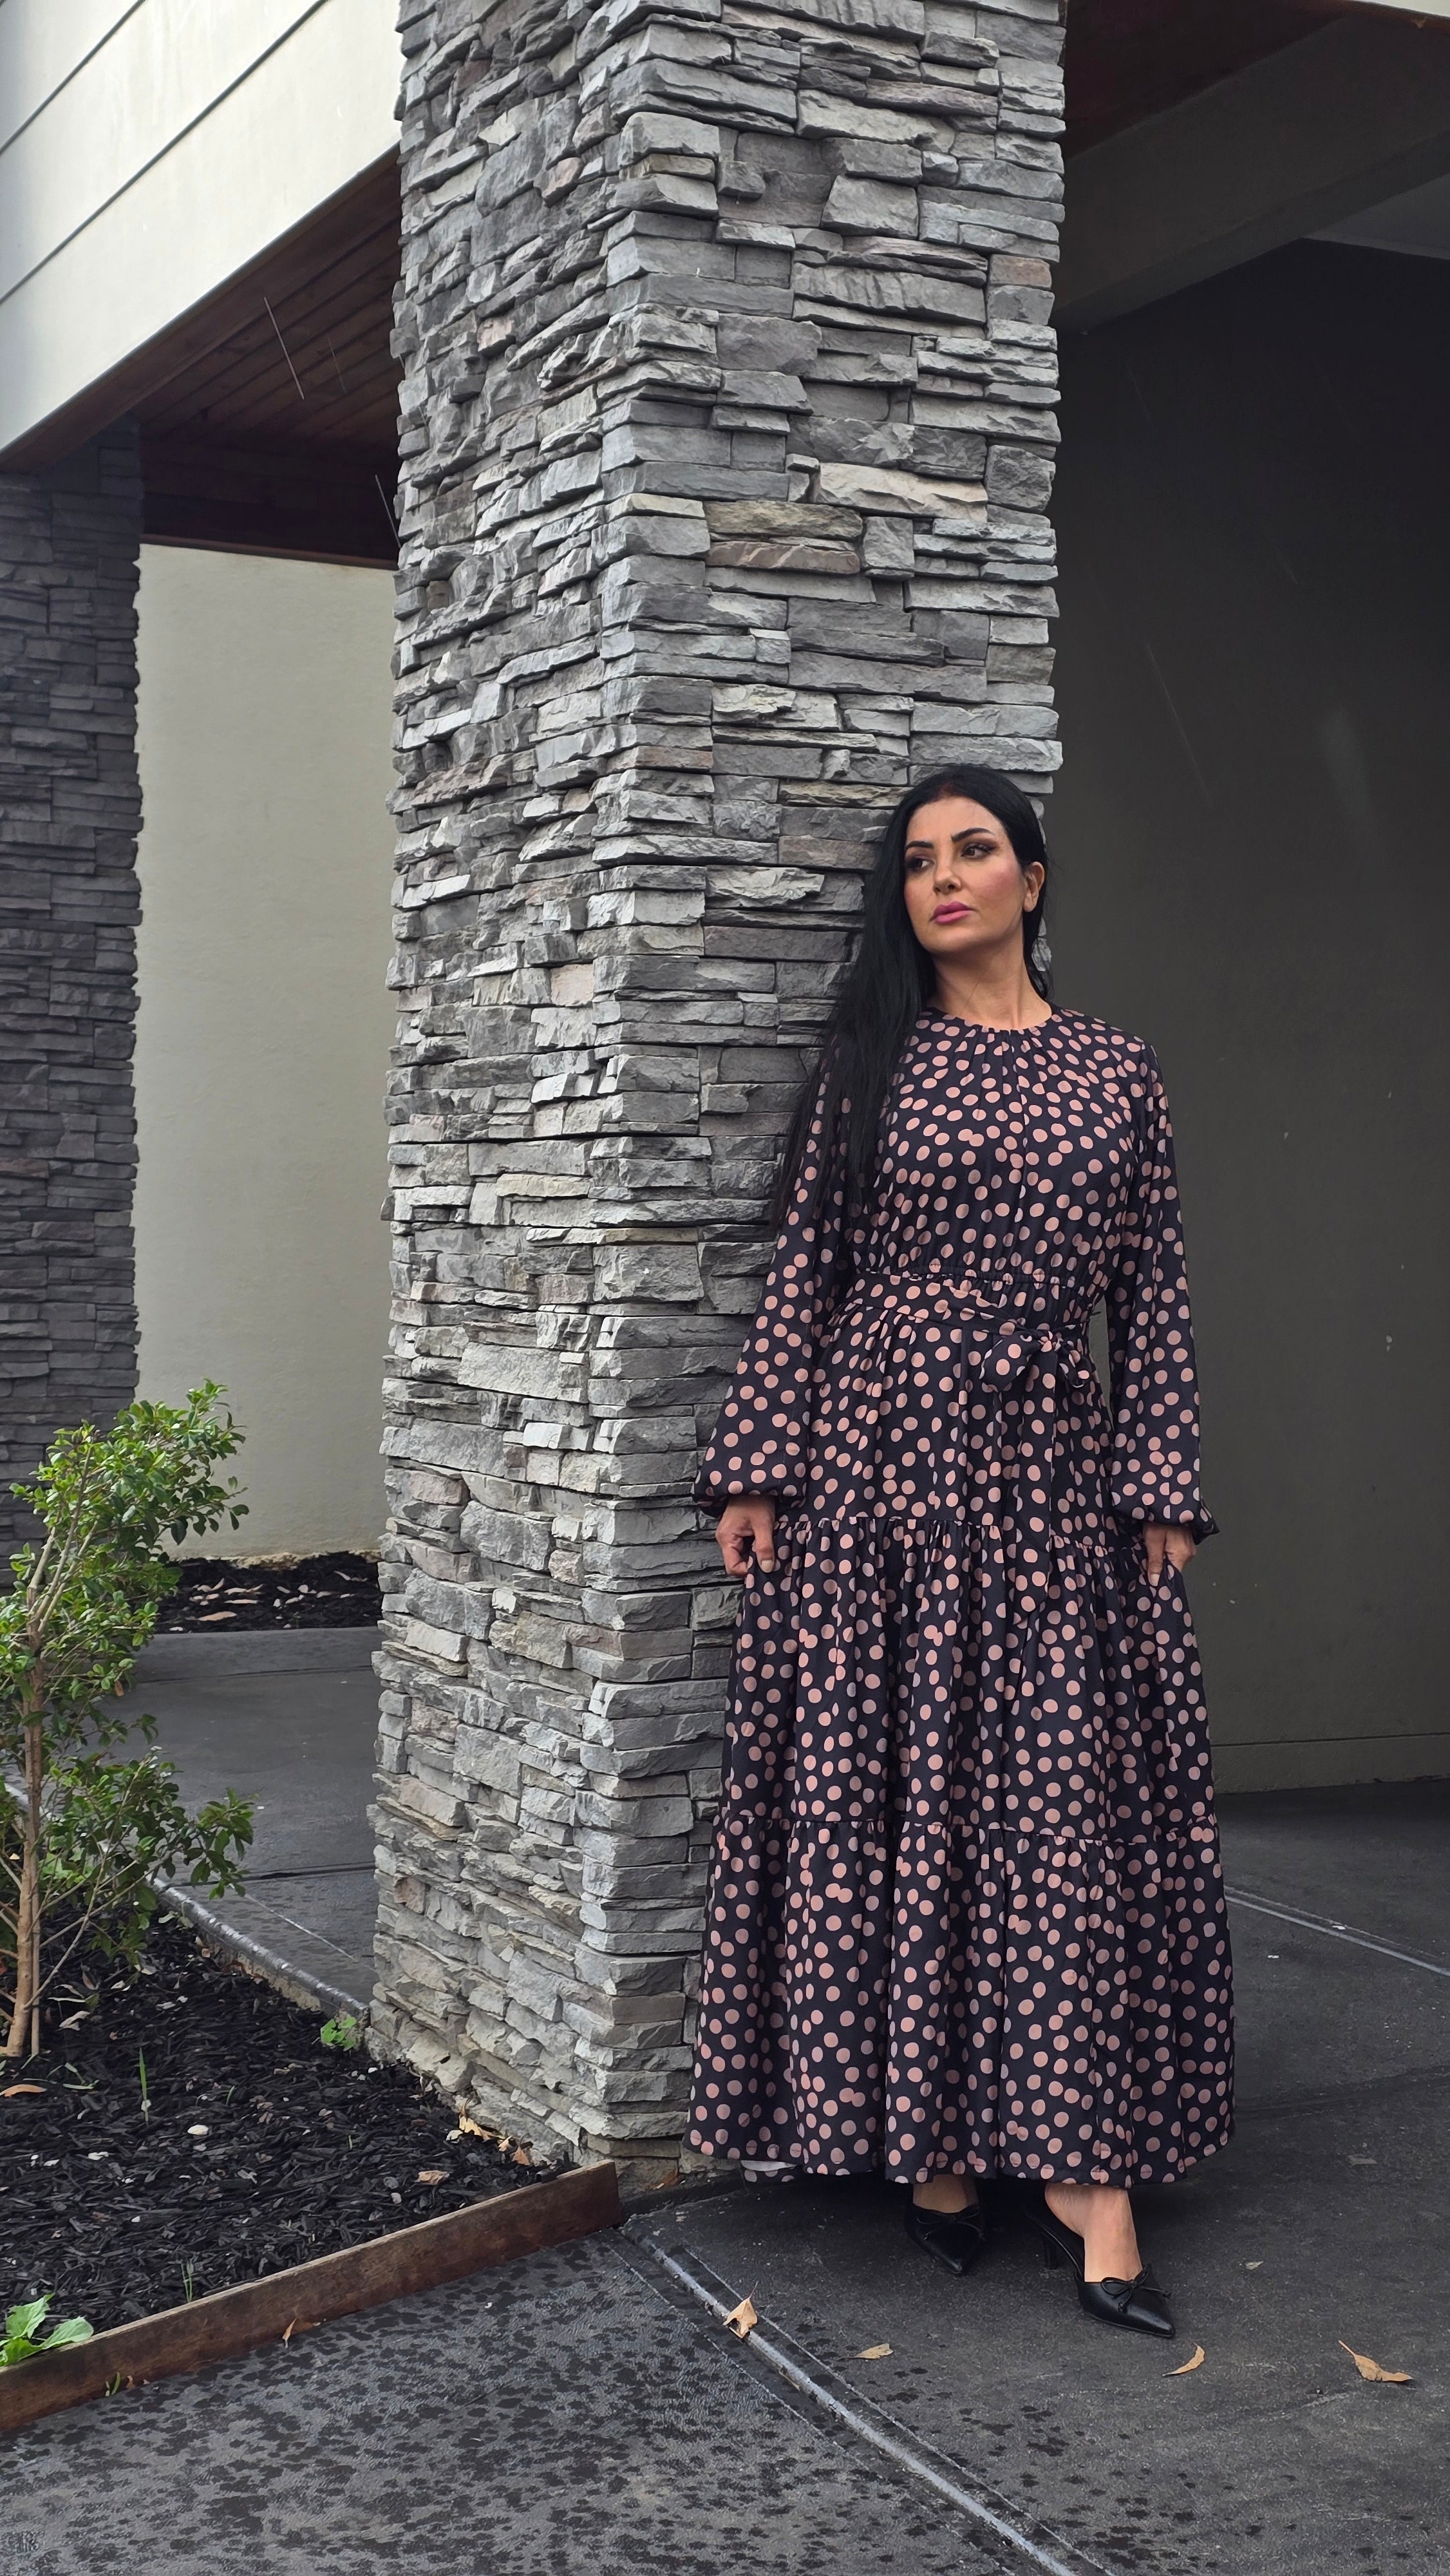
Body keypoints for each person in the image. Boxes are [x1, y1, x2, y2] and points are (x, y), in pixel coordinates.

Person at [686, 763, 1234, 2340]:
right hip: (878, 1465)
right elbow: (809, 1264)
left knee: (1049, 1804)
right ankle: (929, 2142)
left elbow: (1155, 1286)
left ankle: (1085, 2175)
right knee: (898, 1787)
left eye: (974, 849)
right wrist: (759, 1460)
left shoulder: (1116, 1069)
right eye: (918, 858)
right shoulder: (870, 1059)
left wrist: (1160, 1477)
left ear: (1030, 879)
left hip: (1051, 1467)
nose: (943, 877)